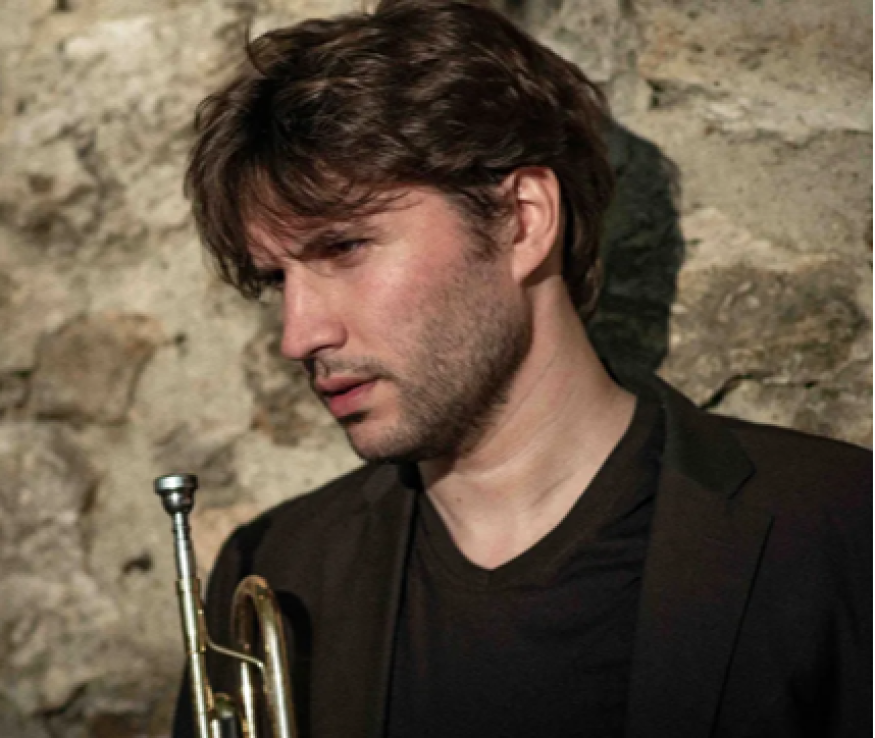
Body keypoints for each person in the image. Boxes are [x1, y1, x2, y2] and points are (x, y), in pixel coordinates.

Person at [173, 1, 873, 736]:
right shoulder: (279, 573)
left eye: (344, 248)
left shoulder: (834, 530)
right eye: (276, 280)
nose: (299, 335)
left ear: (523, 219)